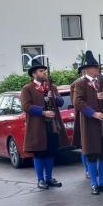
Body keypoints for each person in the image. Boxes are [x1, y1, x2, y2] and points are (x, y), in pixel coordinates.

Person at [74, 50, 103, 195]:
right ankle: (94, 183)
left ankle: (102, 182)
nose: (97, 69)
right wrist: (93, 113)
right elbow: (78, 102)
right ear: (86, 69)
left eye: (97, 67)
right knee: (92, 153)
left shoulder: (102, 83)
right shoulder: (80, 84)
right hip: (90, 123)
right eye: (94, 67)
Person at [21, 58, 69, 189]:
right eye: (41, 71)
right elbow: (26, 106)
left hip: (52, 124)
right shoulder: (27, 89)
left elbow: (60, 103)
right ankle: (40, 179)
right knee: (39, 153)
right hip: (37, 126)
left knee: (50, 152)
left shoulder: (51, 87)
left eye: (44, 71)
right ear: (34, 74)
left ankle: (49, 178)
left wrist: (53, 95)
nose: (44, 73)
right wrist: (43, 112)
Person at [70, 61, 88, 178]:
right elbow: (75, 102)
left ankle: (93, 169)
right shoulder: (76, 84)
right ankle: (87, 169)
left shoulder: (97, 81)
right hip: (82, 116)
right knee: (85, 145)